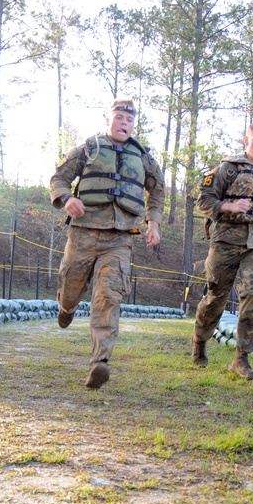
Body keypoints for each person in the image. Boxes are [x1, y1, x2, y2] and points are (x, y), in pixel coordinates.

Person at [49, 98, 164, 389]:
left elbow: (157, 190)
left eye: (129, 119)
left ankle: (99, 362)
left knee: (108, 296)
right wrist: (67, 199)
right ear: (108, 120)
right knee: (72, 287)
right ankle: (66, 307)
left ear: (133, 124)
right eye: (119, 118)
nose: (124, 123)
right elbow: (59, 177)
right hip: (83, 233)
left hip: (120, 237)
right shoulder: (89, 148)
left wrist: (153, 223)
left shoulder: (145, 158)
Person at [192, 121, 253, 379]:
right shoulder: (228, 169)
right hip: (225, 241)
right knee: (216, 298)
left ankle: (241, 358)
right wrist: (229, 206)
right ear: (247, 141)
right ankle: (199, 342)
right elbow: (203, 199)